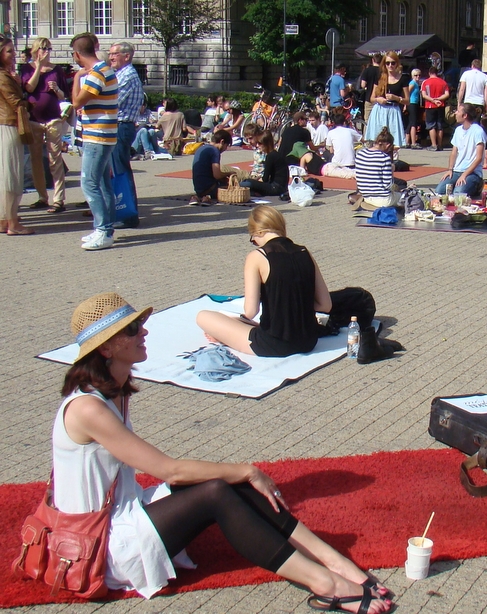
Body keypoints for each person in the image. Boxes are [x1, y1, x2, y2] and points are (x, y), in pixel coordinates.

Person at [56, 291, 393, 611]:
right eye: (132, 329)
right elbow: (169, 471)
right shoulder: (88, 408)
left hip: (123, 511)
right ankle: (326, 584)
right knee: (216, 491)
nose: (144, 331)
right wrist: (247, 469)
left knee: (231, 482)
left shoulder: (114, 391)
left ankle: (335, 562)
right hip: (99, 544)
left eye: (139, 324)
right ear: (106, 349)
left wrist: (242, 475)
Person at [197, 206, 332, 357]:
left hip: (273, 342)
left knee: (203, 316)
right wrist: (295, 305)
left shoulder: (257, 256)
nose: (255, 243)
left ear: (258, 232)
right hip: (308, 341)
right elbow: (325, 305)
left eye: (253, 240)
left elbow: (251, 311)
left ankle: (225, 336)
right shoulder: (304, 252)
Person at [70, 32, 118, 251]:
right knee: (103, 183)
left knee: (89, 183)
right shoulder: (106, 70)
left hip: (97, 135)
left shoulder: (96, 74)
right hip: (104, 134)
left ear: (77, 54)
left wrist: (76, 78)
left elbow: (76, 101)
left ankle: (103, 229)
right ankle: (106, 228)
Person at [20, 37, 68, 213]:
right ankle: (42, 197)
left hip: (53, 118)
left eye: (48, 48)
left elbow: (63, 95)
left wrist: (56, 89)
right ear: (35, 51)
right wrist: (38, 67)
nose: (46, 52)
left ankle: (59, 199)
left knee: (55, 158)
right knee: (36, 159)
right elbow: (29, 88)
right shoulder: (27, 69)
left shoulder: (57, 70)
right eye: (43, 48)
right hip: (34, 119)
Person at [108, 41, 144, 229]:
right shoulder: (120, 73)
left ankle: (129, 214)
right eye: (110, 54)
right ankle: (122, 211)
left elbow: (112, 100)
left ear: (127, 56)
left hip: (122, 126)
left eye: (114, 54)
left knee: (121, 171)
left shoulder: (127, 75)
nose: (111, 57)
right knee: (118, 170)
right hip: (119, 126)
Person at [0, 37, 34, 235]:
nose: (14, 54)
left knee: (6, 175)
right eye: (9, 51)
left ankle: (4, 220)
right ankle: (12, 222)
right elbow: (16, 102)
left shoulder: (6, 74)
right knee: (11, 176)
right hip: (9, 125)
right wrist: (30, 104)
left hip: (6, 125)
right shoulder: (3, 77)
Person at [436, 103, 486, 198]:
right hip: (456, 170)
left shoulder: (478, 131)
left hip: (472, 172)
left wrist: (464, 174)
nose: (455, 113)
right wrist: (450, 169)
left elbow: (479, 158)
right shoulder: (458, 130)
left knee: (458, 194)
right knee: (440, 191)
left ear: (465, 115)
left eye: (458, 111)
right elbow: (454, 152)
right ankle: (458, 185)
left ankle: (477, 185)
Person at [365, 52, 409, 149]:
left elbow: (407, 100)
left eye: (393, 63)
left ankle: (391, 158)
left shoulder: (403, 78)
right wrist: (378, 99)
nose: (390, 65)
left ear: (397, 63)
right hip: (379, 110)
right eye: (387, 63)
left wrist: (396, 98)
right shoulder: (380, 77)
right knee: (377, 141)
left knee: (394, 143)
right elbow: (371, 98)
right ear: (384, 64)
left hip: (393, 111)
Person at [240, 125, 289, 197]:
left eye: (260, 144)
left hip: (275, 187)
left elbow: (265, 178)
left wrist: (255, 182)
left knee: (247, 183)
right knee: (248, 182)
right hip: (279, 187)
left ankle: (252, 191)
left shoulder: (270, 156)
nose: (257, 145)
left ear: (266, 144)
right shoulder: (275, 154)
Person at [355, 127, 398, 209]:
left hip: (366, 196)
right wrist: (391, 171)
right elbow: (388, 185)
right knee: (406, 196)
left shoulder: (360, 153)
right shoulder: (384, 158)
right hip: (383, 199)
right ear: (388, 145)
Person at [190, 130, 234, 205]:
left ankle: (199, 197)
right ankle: (207, 197)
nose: (225, 149)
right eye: (226, 146)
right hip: (210, 188)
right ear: (222, 142)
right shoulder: (214, 151)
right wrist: (229, 173)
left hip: (198, 189)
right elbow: (217, 175)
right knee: (241, 185)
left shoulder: (202, 148)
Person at [421, 65, 449, 152]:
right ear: (437, 73)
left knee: (431, 125)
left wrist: (433, 100)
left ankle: (434, 145)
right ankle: (440, 145)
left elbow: (424, 95)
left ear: (429, 73)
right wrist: (438, 99)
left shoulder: (425, 82)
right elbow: (447, 94)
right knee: (440, 126)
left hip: (430, 105)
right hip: (440, 105)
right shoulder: (443, 82)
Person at [359, 53, 382, 123]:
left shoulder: (367, 70)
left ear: (372, 60)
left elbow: (363, 85)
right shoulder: (383, 71)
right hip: (380, 99)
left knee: (367, 120)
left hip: (369, 98)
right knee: (379, 121)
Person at [406, 69, 423, 149]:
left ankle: (407, 142)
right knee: (413, 123)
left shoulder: (416, 84)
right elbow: (407, 93)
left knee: (411, 122)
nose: (418, 77)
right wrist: (405, 104)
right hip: (412, 103)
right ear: (412, 76)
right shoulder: (412, 83)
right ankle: (413, 143)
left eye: (419, 75)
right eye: (416, 75)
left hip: (414, 103)